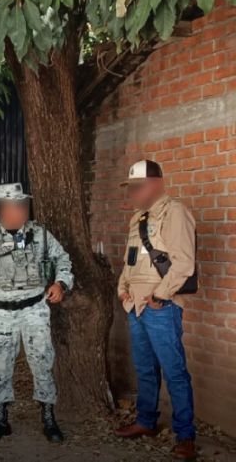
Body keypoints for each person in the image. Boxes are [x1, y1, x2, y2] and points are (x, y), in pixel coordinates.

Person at [0, 183, 72, 442]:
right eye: (14, 206)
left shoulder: (41, 235)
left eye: (22, 205)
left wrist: (61, 283)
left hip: (35, 308)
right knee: (0, 367)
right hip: (1, 312)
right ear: (0, 209)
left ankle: (48, 417)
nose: (19, 211)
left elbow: (63, 259)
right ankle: (1, 419)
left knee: (42, 363)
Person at [112, 160, 197, 460]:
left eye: (139, 185)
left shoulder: (175, 212)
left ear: (158, 184)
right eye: (131, 187)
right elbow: (130, 261)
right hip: (135, 306)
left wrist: (159, 298)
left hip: (160, 307)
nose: (134, 192)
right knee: (145, 370)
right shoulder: (138, 218)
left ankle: (185, 436)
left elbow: (184, 263)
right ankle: (146, 422)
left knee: (174, 372)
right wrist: (122, 287)